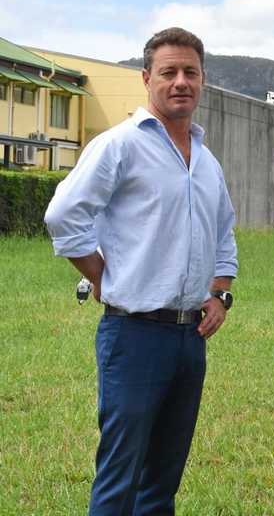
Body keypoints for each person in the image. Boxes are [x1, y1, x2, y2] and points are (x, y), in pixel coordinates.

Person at [44, 27, 238, 515]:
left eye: (190, 72)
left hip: (189, 339)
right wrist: (101, 275)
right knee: (121, 475)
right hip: (133, 335)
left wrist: (220, 292)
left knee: (162, 480)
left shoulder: (207, 160)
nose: (180, 82)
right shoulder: (120, 145)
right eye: (168, 72)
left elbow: (224, 233)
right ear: (146, 78)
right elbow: (64, 216)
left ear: (203, 81)